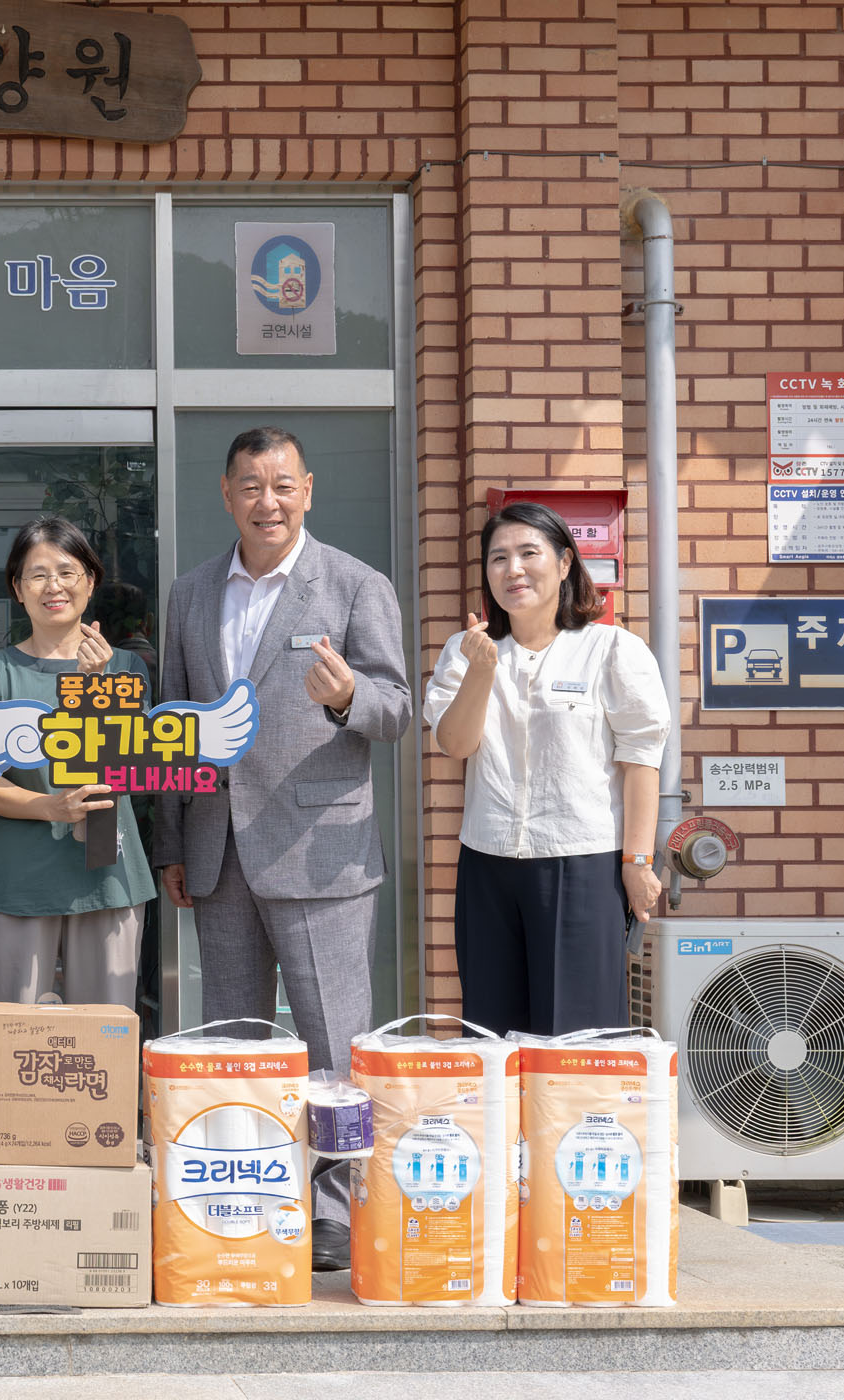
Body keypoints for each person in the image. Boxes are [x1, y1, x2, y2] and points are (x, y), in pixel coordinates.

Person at [152, 426, 411, 1274]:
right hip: (216, 846)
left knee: (334, 1042)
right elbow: (173, 723)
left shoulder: (354, 584)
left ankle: (337, 1208)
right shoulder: (192, 593)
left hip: (319, 849)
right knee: (234, 1039)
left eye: (283, 485)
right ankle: (244, 1197)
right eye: (251, 486)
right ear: (226, 494)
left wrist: (349, 697)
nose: (268, 502)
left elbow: (398, 707)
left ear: (308, 489)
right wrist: (171, 842)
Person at [424, 500, 669, 1037]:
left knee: (577, 1036)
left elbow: (641, 761)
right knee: (492, 1032)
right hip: (487, 863)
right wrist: (481, 671)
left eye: (528, 553)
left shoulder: (611, 650)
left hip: (582, 864)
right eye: (498, 558)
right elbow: (456, 744)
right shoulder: (466, 651)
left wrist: (638, 862)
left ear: (564, 563)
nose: (512, 569)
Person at [0, 517, 155, 1005]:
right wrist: (51, 807)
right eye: (38, 575)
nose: (54, 586)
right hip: (17, 881)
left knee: (106, 1032)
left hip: (108, 878)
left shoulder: (127, 668)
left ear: (90, 582)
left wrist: (96, 687)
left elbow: (134, 770)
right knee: (13, 1033)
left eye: (67, 572)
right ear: (18, 588)